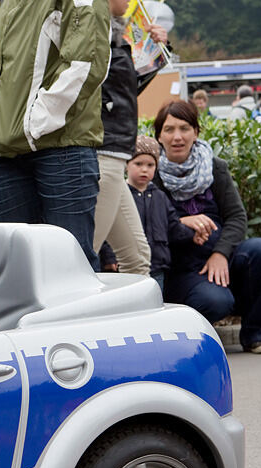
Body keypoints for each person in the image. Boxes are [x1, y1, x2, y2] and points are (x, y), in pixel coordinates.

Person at [0, 0, 112, 269]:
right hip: (7, 151)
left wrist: (35, 122)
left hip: (60, 148)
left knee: (69, 268)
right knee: (17, 269)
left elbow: (87, 61)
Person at [155, 100, 261, 354]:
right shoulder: (150, 172)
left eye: (184, 128)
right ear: (159, 136)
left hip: (219, 256)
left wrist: (220, 253)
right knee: (215, 301)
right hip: (183, 269)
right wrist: (179, 222)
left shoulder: (214, 167)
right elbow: (145, 226)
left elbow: (236, 216)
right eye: (169, 129)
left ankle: (256, 335)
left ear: (196, 132)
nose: (177, 137)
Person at [92, 0, 168, 277]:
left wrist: (156, 51)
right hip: (103, 150)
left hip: (115, 150)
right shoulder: (92, 26)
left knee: (137, 255)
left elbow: (126, 88)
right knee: (86, 252)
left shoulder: (116, 31)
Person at [125, 136, 191, 292]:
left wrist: (193, 234)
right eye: (138, 164)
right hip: (127, 266)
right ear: (126, 165)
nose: (144, 169)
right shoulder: (122, 195)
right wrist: (109, 257)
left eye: (150, 165)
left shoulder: (160, 196)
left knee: (154, 299)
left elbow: (173, 225)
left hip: (156, 265)